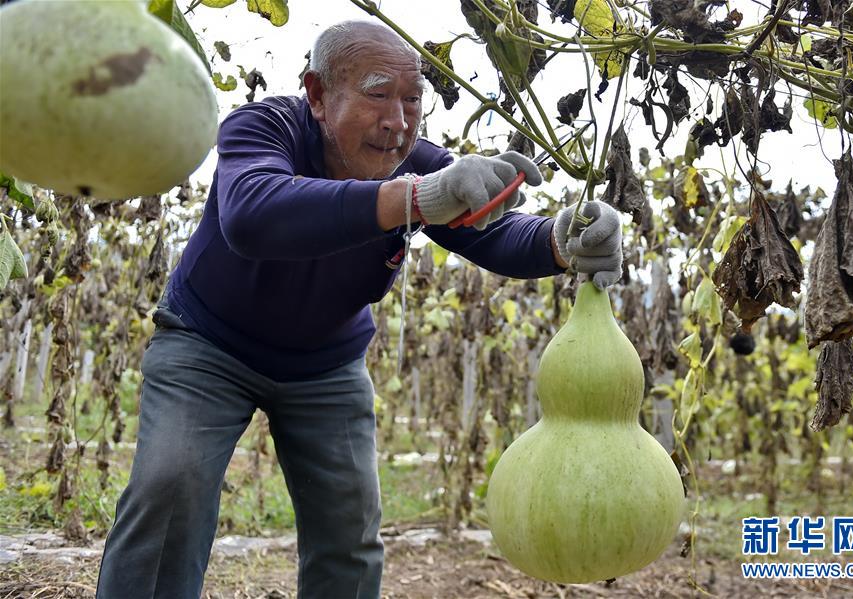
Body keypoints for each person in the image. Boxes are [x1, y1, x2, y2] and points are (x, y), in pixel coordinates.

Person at [95, 19, 622, 599]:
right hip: (207, 346)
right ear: (318, 94)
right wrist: (414, 198)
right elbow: (252, 213)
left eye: (412, 100)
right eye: (378, 94)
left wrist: (558, 240)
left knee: (349, 528)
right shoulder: (263, 128)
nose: (397, 122)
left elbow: (491, 234)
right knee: (170, 485)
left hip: (326, 366)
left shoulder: (413, 162)